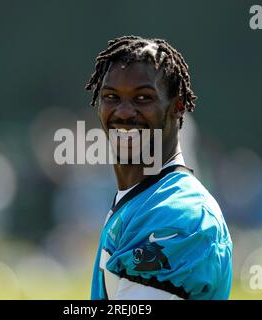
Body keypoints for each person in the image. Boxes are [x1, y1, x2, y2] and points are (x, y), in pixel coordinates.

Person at [85, 35, 232, 300]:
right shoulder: (140, 200)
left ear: (177, 106)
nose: (124, 112)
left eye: (143, 98)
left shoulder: (176, 216)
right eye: (111, 97)